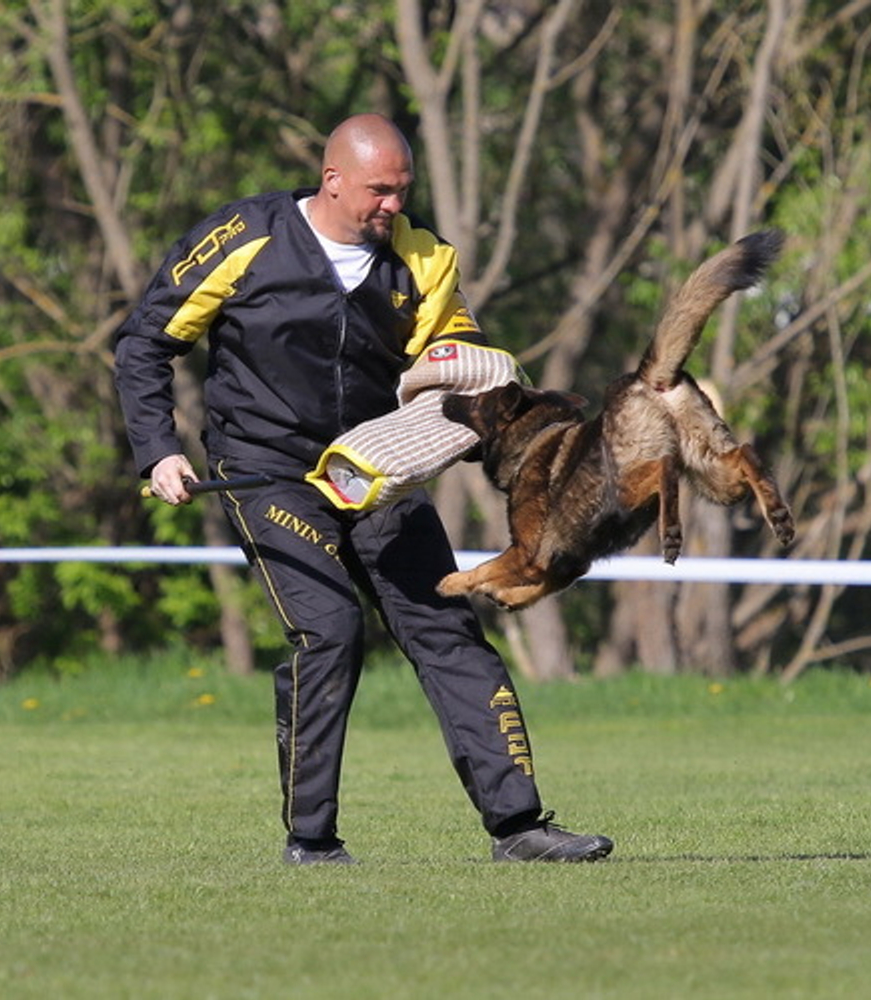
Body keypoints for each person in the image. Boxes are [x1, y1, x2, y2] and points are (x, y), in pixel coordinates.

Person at [114, 113, 614, 865]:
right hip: (268, 471)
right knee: (330, 630)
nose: (392, 206)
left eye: (402, 192)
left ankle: (521, 829)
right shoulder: (246, 237)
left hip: (378, 473)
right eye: (379, 191)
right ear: (333, 178)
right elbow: (145, 342)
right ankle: (312, 840)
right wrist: (158, 451)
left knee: (447, 628)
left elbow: (454, 363)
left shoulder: (423, 257)